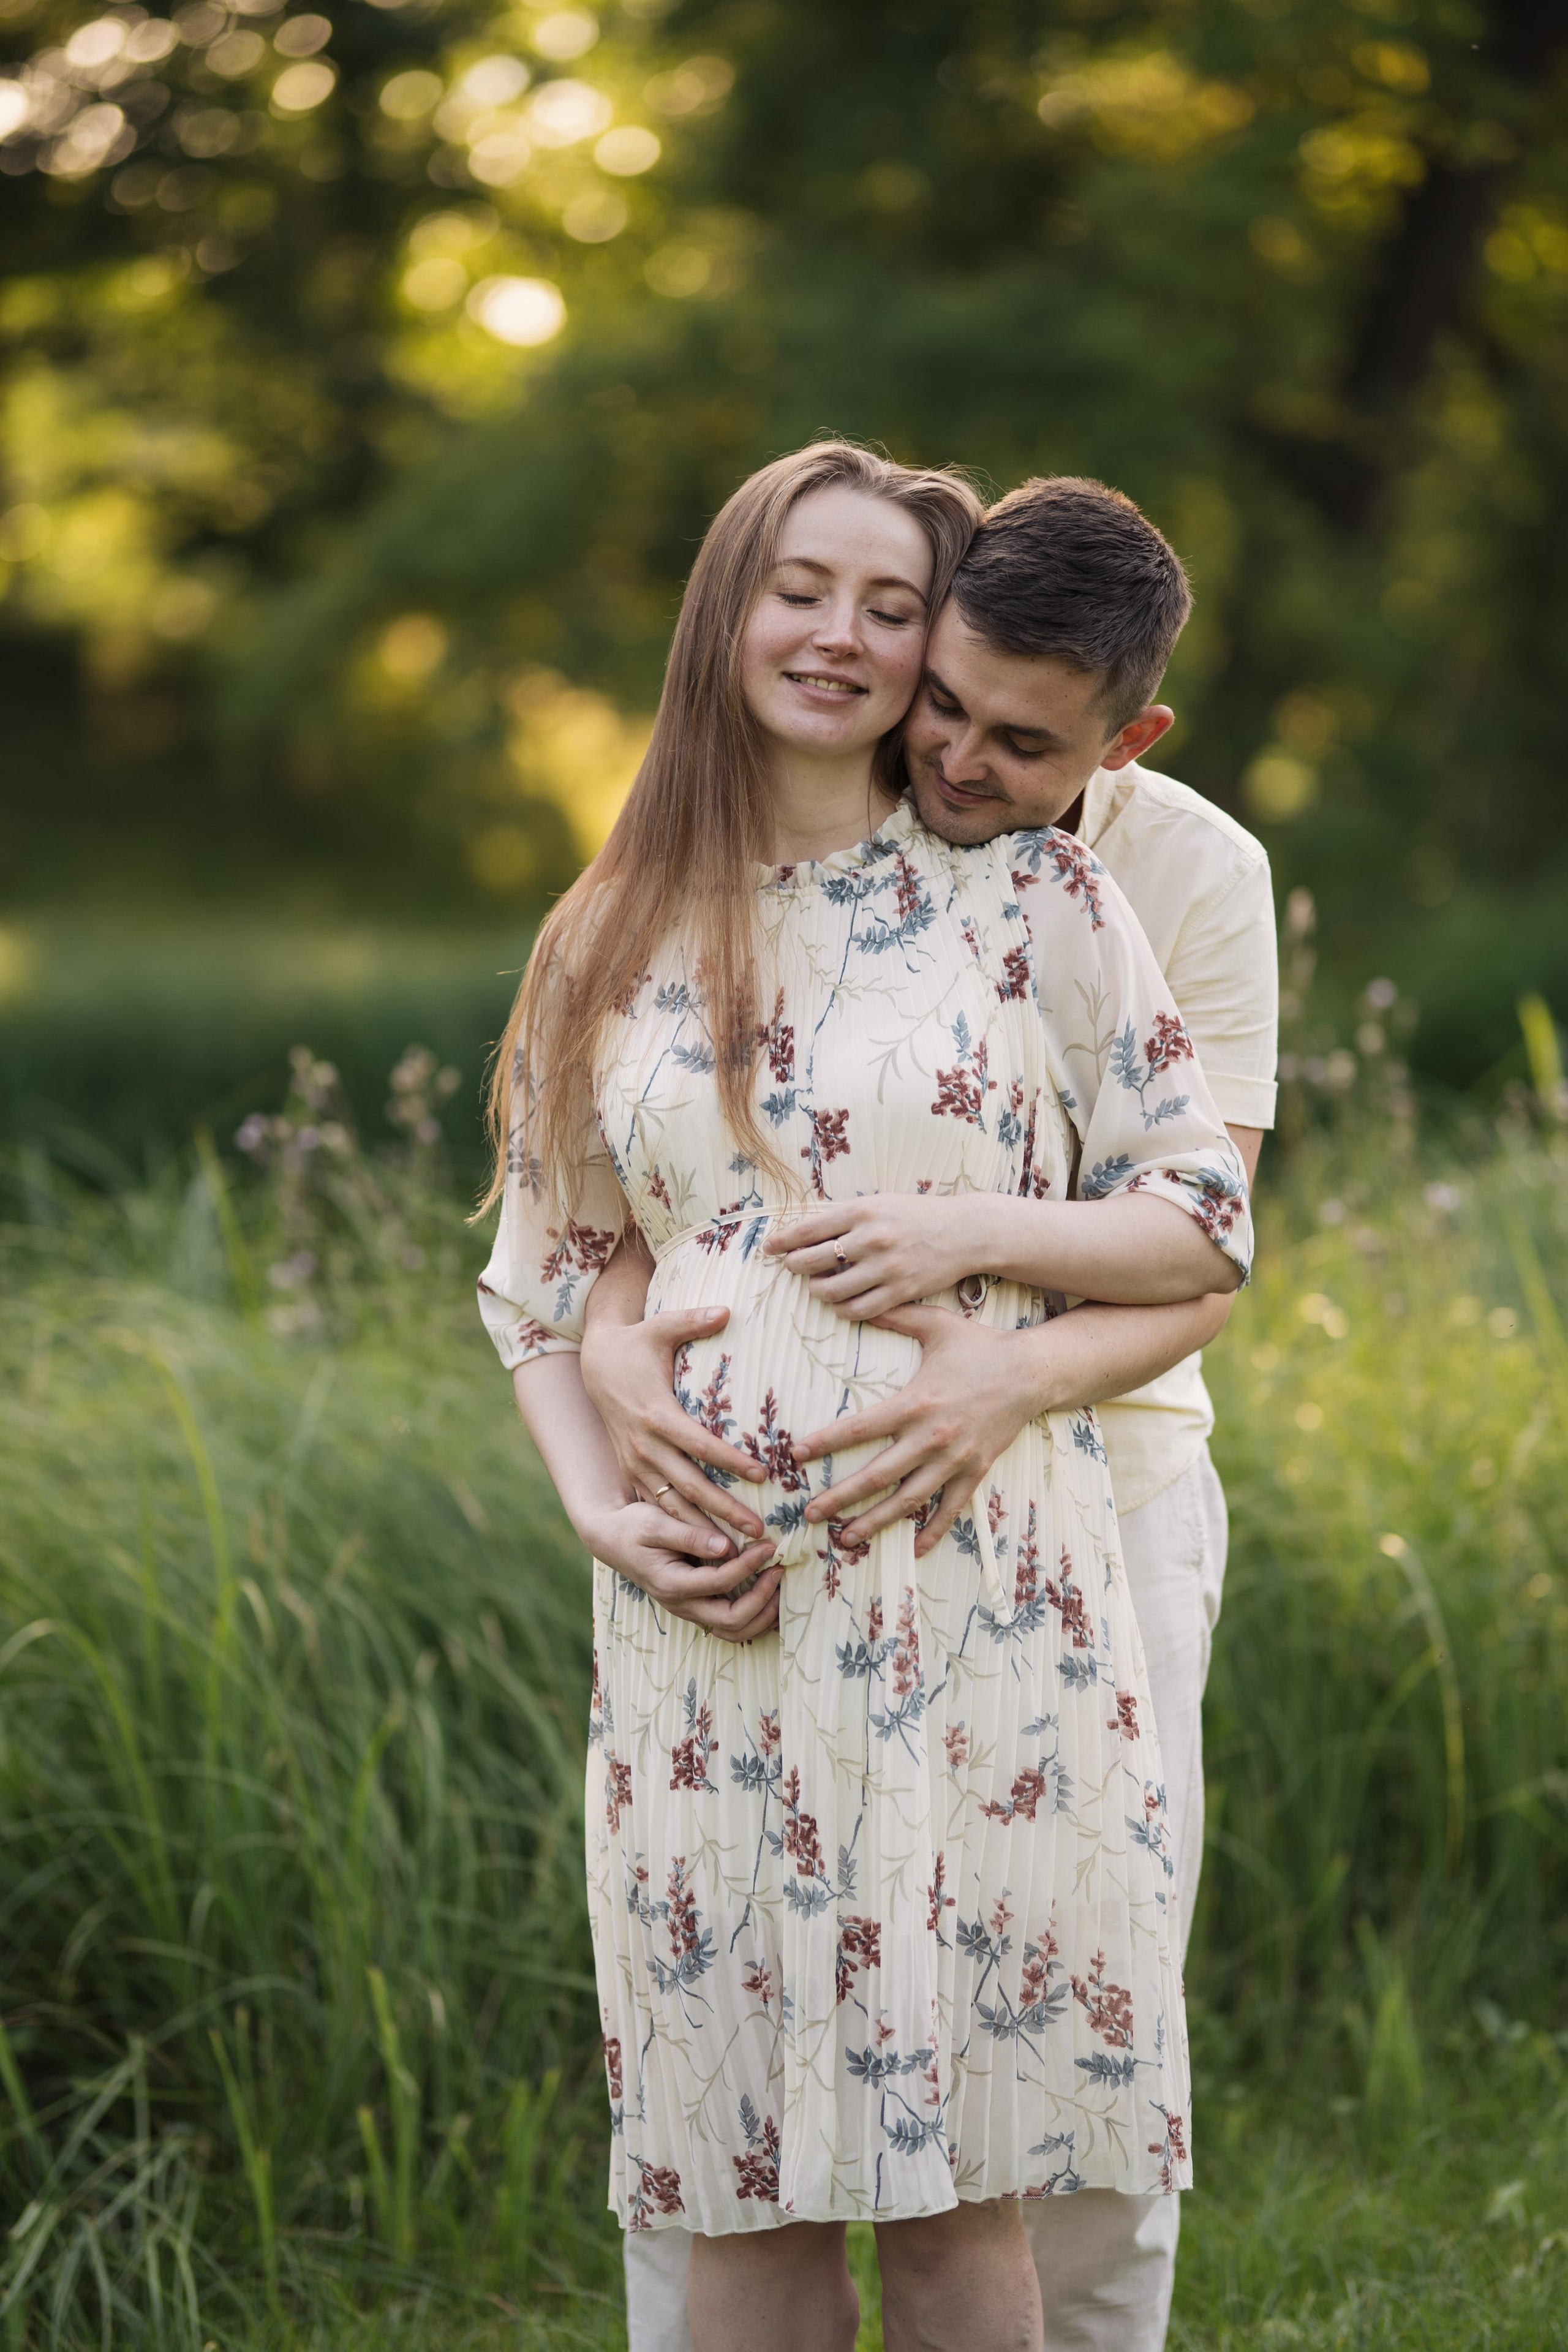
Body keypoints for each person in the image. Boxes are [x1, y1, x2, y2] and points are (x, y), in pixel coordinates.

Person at [475, 441, 1253, 2352]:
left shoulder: (1040, 898)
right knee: (738, 2179)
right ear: (723, 612)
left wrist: (960, 1242)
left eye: (890, 607)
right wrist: (597, 1497)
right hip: (706, 1627)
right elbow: (544, 1278)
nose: (842, 636)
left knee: (961, 2193)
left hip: (979, 1595)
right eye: (801, 590)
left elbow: (1203, 1216)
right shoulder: (607, 928)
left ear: (936, 649)